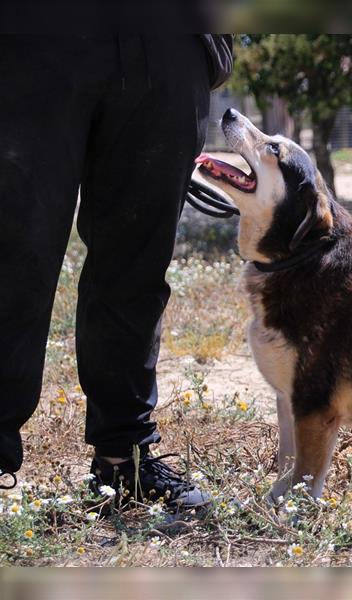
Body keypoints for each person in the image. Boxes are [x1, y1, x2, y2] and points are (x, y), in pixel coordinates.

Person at [0, 34, 233, 510]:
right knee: (13, 251)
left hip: (169, 33)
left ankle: (124, 458)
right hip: (32, 33)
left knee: (138, 264)